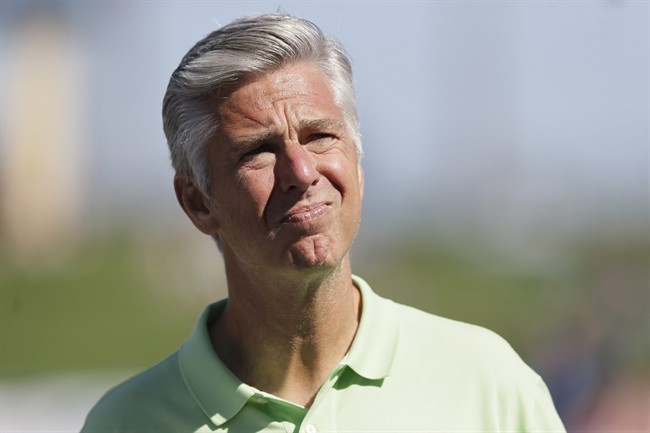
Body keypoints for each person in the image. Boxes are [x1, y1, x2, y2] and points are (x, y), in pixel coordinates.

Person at [81, 13, 566, 433]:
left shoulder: (487, 383)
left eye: (320, 137)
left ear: (357, 161)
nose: (302, 172)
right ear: (198, 203)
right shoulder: (127, 422)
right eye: (258, 151)